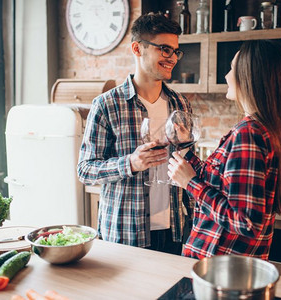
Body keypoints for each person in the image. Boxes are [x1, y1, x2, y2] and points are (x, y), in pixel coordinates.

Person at [77, 12, 192, 255]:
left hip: (173, 229)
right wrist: (130, 163)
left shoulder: (180, 104)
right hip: (125, 232)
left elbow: (186, 166)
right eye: (164, 49)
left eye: (175, 51)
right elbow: (85, 170)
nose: (172, 58)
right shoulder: (107, 105)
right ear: (137, 49)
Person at [168, 40, 281, 260]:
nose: (226, 76)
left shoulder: (249, 134)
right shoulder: (264, 128)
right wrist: (187, 148)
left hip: (218, 268)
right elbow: (221, 183)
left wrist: (190, 183)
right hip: (229, 268)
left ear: (249, 77)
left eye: (232, 69)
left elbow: (244, 221)